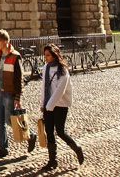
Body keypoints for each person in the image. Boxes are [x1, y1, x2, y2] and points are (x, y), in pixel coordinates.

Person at [39, 43, 84, 171]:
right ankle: (52, 161)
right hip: (48, 105)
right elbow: (44, 88)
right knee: (49, 131)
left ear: (54, 55)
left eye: (48, 55)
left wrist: (49, 105)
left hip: (60, 105)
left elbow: (60, 91)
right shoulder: (46, 68)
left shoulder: (63, 71)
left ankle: (77, 148)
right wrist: (43, 104)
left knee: (60, 131)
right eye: (45, 55)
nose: (46, 57)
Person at [0, 29, 25, 158]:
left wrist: (18, 97)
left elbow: (19, 78)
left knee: (11, 121)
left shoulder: (15, 56)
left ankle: (30, 135)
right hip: (0, 92)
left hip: (10, 94)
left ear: (5, 41)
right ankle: (3, 148)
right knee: (0, 122)